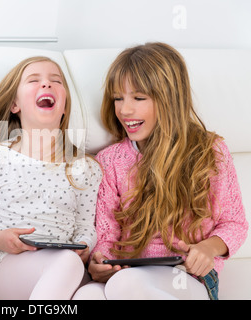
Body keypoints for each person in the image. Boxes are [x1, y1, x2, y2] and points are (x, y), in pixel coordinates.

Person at [73, 42, 248, 300]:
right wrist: (101, 263)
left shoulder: (209, 151)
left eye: (139, 98)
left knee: (126, 284)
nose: (124, 110)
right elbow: (108, 235)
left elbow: (234, 224)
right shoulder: (109, 161)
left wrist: (207, 249)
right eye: (118, 98)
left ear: (170, 98)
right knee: (87, 295)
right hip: (130, 273)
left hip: (187, 276)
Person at [0, 56, 102, 300]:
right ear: (14, 104)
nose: (46, 85)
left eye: (55, 81)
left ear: (65, 106)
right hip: (7, 262)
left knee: (94, 294)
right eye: (34, 80)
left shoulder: (86, 167)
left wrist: (84, 246)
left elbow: (85, 227)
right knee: (68, 265)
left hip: (66, 263)